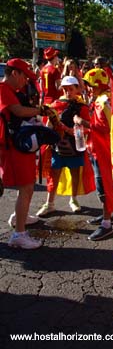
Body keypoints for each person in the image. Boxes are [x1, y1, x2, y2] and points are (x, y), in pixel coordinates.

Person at [1, 59, 47, 249]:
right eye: (24, 77)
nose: (26, 82)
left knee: (26, 186)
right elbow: (17, 111)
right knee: (26, 187)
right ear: (14, 73)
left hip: (18, 145)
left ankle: (21, 217)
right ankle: (19, 234)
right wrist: (41, 110)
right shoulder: (3, 89)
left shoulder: (13, 91)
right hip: (13, 147)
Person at [36, 76, 91, 216]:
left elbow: (87, 128)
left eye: (71, 89)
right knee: (54, 174)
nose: (68, 92)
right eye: (65, 89)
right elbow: (48, 125)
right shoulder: (56, 104)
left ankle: (73, 199)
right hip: (57, 146)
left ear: (77, 89)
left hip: (75, 146)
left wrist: (70, 130)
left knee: (75, 174)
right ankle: (50, 203)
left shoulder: (82, 107)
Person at [75, 68, 113, 241]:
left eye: (91, 85)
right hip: (97, 150)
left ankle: (107, 224)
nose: (88, 88)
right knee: (102, 186)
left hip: (105, 152)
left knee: (105, 187)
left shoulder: (105, 100)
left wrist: (82, 122)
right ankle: (107, 214)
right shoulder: (100, 99)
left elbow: (112, 127)